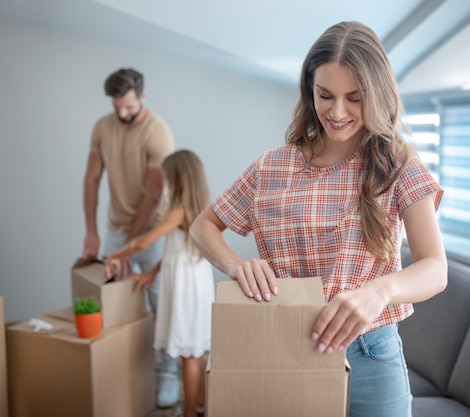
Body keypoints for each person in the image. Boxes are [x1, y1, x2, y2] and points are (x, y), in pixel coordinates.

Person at [189, 21, 448, 417]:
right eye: (325, 95)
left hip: (370, 353)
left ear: (376, 94)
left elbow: (435, 268)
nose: (337, 111)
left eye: (355, 98)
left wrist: (379, 291)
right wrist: (238, 267)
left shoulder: (398, 164)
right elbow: (202, 225)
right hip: (280, 344)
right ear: (309, 91)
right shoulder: (272, 166)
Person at [81, 67, 180, 408]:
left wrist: (130, 248)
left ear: (142, 96)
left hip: (152, 229)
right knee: (109, 297)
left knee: (159, 301)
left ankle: (168, 372)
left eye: (128, 106)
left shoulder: (158, 133)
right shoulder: (103, 127)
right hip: (115, 228)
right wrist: (92, 232)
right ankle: (116, 364)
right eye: (116, 106)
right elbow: (92, 179)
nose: (122, 113)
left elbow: (153, 197)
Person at [103, 150, 214, 417]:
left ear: (178, 179)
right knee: (195, 349)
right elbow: (176, 250)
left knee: (188, 352)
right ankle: (199, 404)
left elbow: (144, 242)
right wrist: (152, 272)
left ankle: (188, 412)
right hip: (196, 279)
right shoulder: (199, 208)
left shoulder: (178, 211)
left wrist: (114, 255)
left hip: (185, 286)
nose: (164, 184)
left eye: (166, 178)